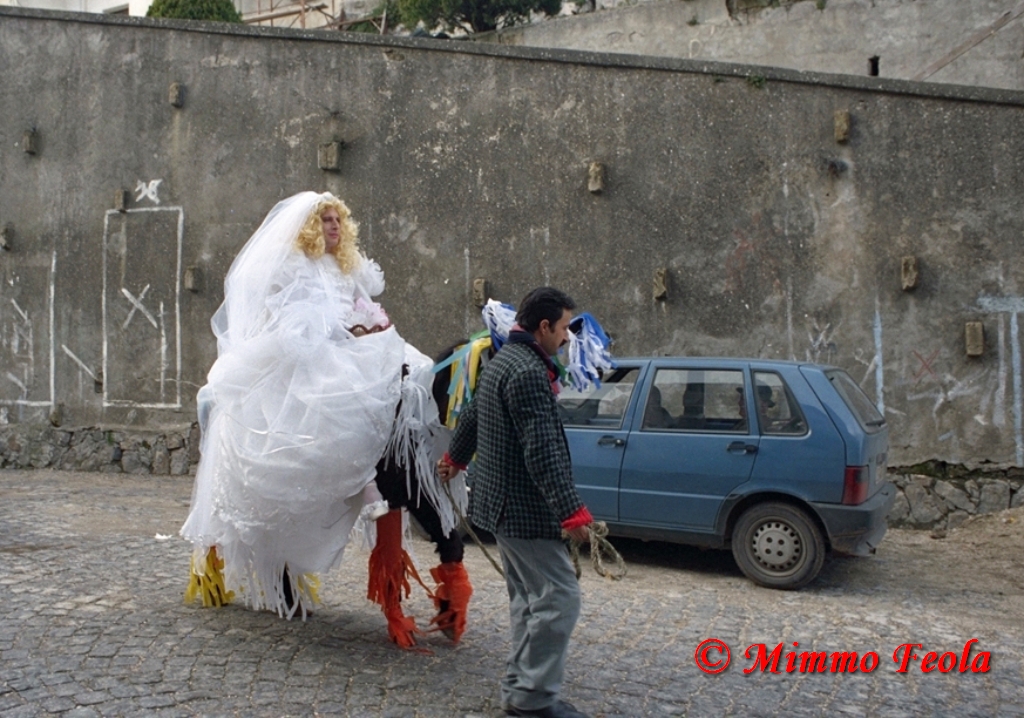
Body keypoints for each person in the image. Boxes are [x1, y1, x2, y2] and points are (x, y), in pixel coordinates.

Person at [180, 191, 462, 626]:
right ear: (310, 228)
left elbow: (365, 311)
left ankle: (394, 483)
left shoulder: (346, 269)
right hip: (309, 364)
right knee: (330, 414)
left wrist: (368, 327)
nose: (333, 226)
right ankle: (351, 491)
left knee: (415, 381)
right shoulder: (295, 269)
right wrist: (343, 328)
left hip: (356, 354)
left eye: (337, 219)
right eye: (325, 220)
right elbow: (297, 329)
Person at [438, 287, 594, 718]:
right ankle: (532, 698)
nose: (567, 337)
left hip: (500, 506)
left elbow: (471, 413)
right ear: (543, 326)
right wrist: (572, 513)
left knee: (530, 599)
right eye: (563, 328)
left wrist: (454, 456)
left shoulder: (504, 360)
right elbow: (541, 449)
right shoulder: (527, 371)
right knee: (559, 598)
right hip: (523, 509)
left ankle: (521, 687)